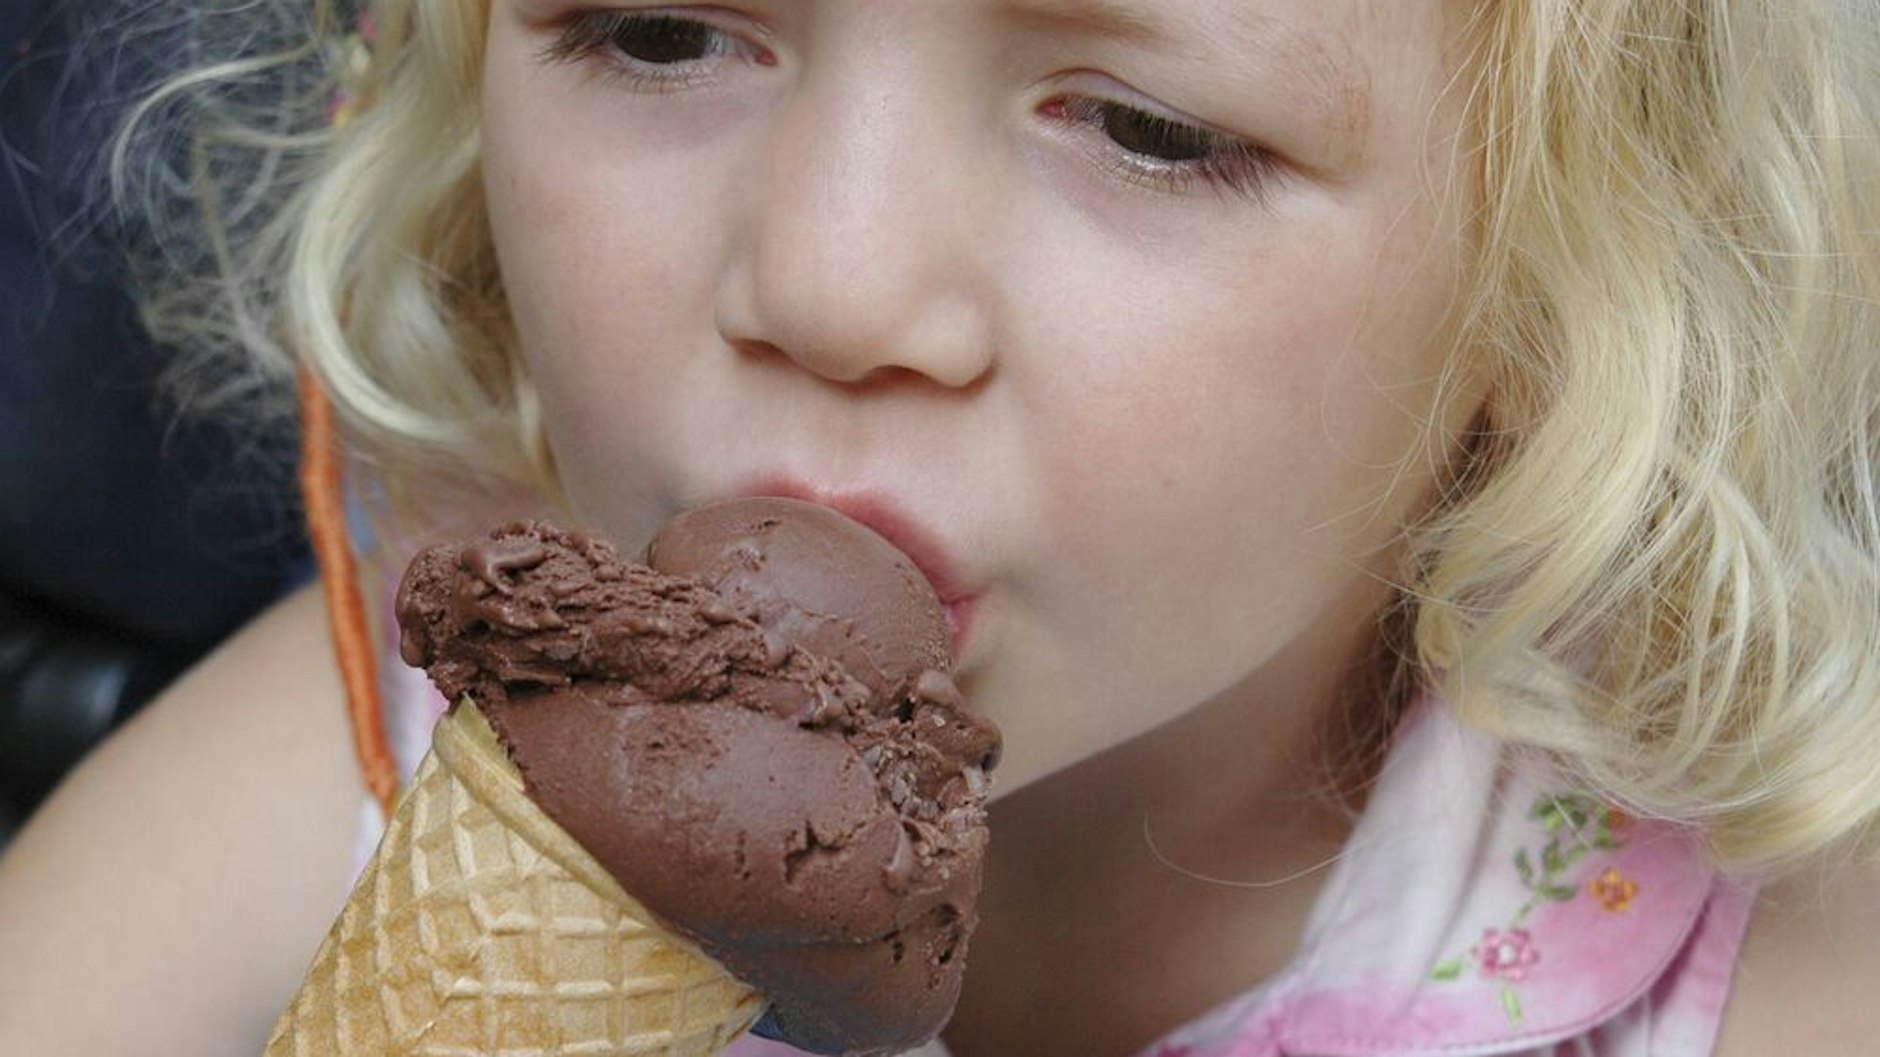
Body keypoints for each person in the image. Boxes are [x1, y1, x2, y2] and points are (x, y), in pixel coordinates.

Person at [2, 1, 1877, 1054]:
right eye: (660, 29)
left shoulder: (1777, 962)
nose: (829, 279)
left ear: (1561, 286)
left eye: (1147, 129)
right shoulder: (415, 740)